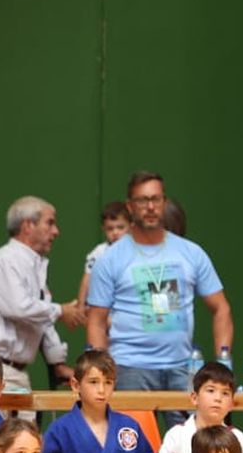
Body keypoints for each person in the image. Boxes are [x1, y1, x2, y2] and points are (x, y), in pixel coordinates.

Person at [86, 172, 233, 427]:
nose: (151, 207)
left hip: (183, 367)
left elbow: (221, 308)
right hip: (129, 369)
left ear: (164, 202)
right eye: (142, 201)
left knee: (194, 450)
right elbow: (96, 321)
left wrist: (222, 363)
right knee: (132, 450)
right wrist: (102, 373)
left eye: (156, 199)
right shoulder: (111, 258)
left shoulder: (191, 252)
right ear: (130, 206)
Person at [0, 196, 83, 396]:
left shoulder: (32, 264)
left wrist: (57, 364)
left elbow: (40, 318)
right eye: (50, 223)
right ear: (28, 225)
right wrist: (61, 311)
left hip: (13, 374)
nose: (56, 231)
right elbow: (18, 307)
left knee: (23, 428)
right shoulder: (4, 261)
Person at [75, 201, 132, 309]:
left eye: (120, 227)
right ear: (103, 229)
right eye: (110, 228)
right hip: (106, 309)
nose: (115, 232)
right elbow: (87, 277)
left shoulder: (137, 250)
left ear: (130, 226)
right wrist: (81, 305)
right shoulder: (99, 252)